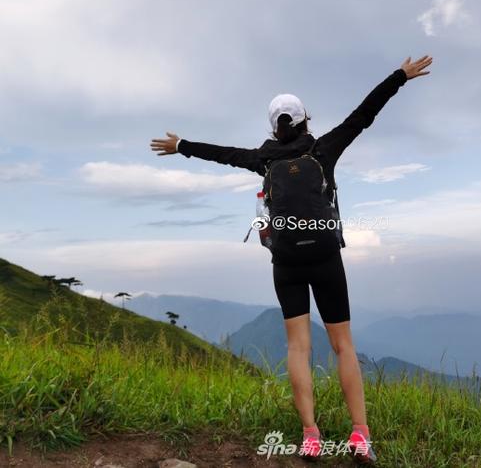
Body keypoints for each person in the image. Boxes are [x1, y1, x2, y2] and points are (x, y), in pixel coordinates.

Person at [150, 54, 432, 464]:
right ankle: (360, 436)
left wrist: (182, 146)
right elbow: (363, 116)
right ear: (305, 120)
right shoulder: (323, 150)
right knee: (343, 346)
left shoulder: (265, 160)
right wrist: (399, 77)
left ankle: (311, 436)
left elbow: (224, 153)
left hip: (286, 262)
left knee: (298, 348)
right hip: (324, 255)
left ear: (274, 126)